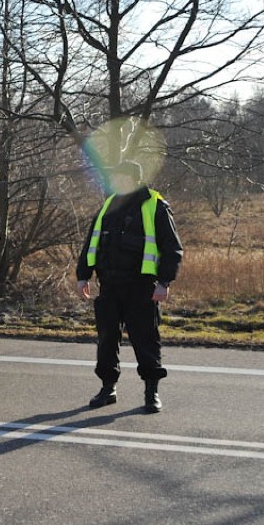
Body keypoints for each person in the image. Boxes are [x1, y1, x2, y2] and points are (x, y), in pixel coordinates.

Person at [76, 163, 183, 413]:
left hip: (142, 288)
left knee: (145, 340)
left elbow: (172, 248)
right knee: (106, 340)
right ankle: (107, 388)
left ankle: (151, 393)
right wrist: (83, 276)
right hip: (109, 286)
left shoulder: (155, 205)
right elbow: (91, 243)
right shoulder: (108, 206)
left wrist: (164, 282)